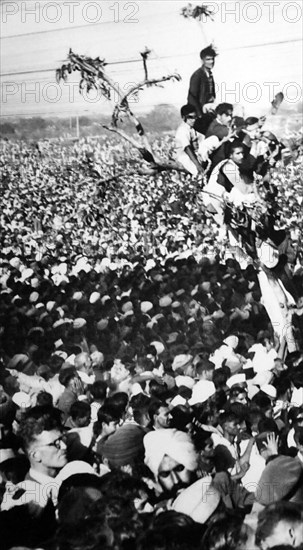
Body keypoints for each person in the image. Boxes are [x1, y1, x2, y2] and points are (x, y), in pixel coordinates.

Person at [1, 406, 67, 511]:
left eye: (63, 439)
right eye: (56, 444)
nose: (64, 446)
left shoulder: (64, 478)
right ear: (36, 455)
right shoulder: (27, 499)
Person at [187, 44, 218, 134]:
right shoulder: (197, 75)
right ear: (202, 60)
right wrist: (199, 115)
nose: (211, 61)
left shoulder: (210, 75)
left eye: (212, 59)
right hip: (201, 114)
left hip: (209, 112)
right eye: (208, 59)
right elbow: (192, 97)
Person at [175, 104, 204, 176]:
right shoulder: (183, 130)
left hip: (193, 154)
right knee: (198, 172)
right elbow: (187, 148)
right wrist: (198, 165)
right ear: (183, 117)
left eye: (195, 117)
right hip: (184, 156)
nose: (193, 120)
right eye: (190, 117)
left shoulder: (191, 128)